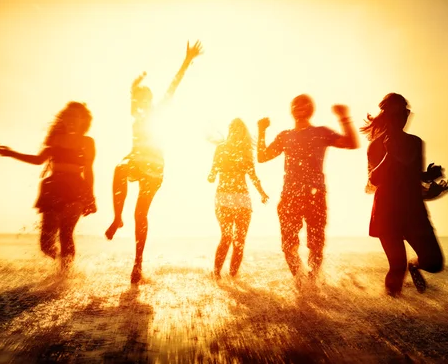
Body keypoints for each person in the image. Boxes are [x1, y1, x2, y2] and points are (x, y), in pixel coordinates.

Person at [105, 40, 203, 284]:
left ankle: (137, 264)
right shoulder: (135, 114)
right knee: (119, 168)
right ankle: (117, 218)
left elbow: (172, 87)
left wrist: (186, 61)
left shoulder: (157, 111)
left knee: (141, 213)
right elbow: (133, 99)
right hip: (136, 160)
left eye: (145, 99)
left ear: (151, 101)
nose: (142, 103)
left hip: (155, 167)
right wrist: (133, 87)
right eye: (139, 100)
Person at [257, 95, 359, 282]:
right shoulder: (285, 136)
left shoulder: (320, 132)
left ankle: (312, 281)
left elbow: (351, 143)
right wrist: (261, 131)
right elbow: (262, 157)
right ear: (291, 110)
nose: (299, 107)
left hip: (315, 195)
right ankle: (301, 281)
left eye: (304, 105)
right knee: (288, 245)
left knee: (316, 244)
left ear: (311, 109)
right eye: (295, 104)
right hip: (289, 196)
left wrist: (344, 118)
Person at [362, 93, 448, 296]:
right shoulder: (376, 146)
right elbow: (375, 179)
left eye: (406, 112)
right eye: (399, 112)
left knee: (434, 263)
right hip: (386, 211)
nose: (405, 116)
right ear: (387, 116)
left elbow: (413, 176)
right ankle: (395, 316)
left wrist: (430, 181)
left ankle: (415, 265)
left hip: (413, 209)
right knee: (396, 266)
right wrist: (390, 153)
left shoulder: (415, 142)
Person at [0, 102, 96, 270]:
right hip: (53, 188)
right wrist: (10, 153)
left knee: (66, 232)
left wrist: (91, 197)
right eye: (68, 115)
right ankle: (61, 262)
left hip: (76, 189)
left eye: (75, 116)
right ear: (63, 118)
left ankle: (66, 275)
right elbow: (38, 160)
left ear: (82, 120)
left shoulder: (87, 142)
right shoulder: (56, 139)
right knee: (45, 244)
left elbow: (89, 171)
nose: (71, 119)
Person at [208, 118, 269, 279]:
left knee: (240, 240)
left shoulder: (246, 152)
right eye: (233, 128)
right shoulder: (221, 149)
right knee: (227, 237)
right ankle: (216, 275)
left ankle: (233, 278)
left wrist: (262, 192)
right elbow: (212, 172)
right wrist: (212, 175)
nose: (235, 131)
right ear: (230, 130)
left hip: (242, 198)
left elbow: (253, 176)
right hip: (224, 197)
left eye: (239, 129)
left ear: (243, 132)